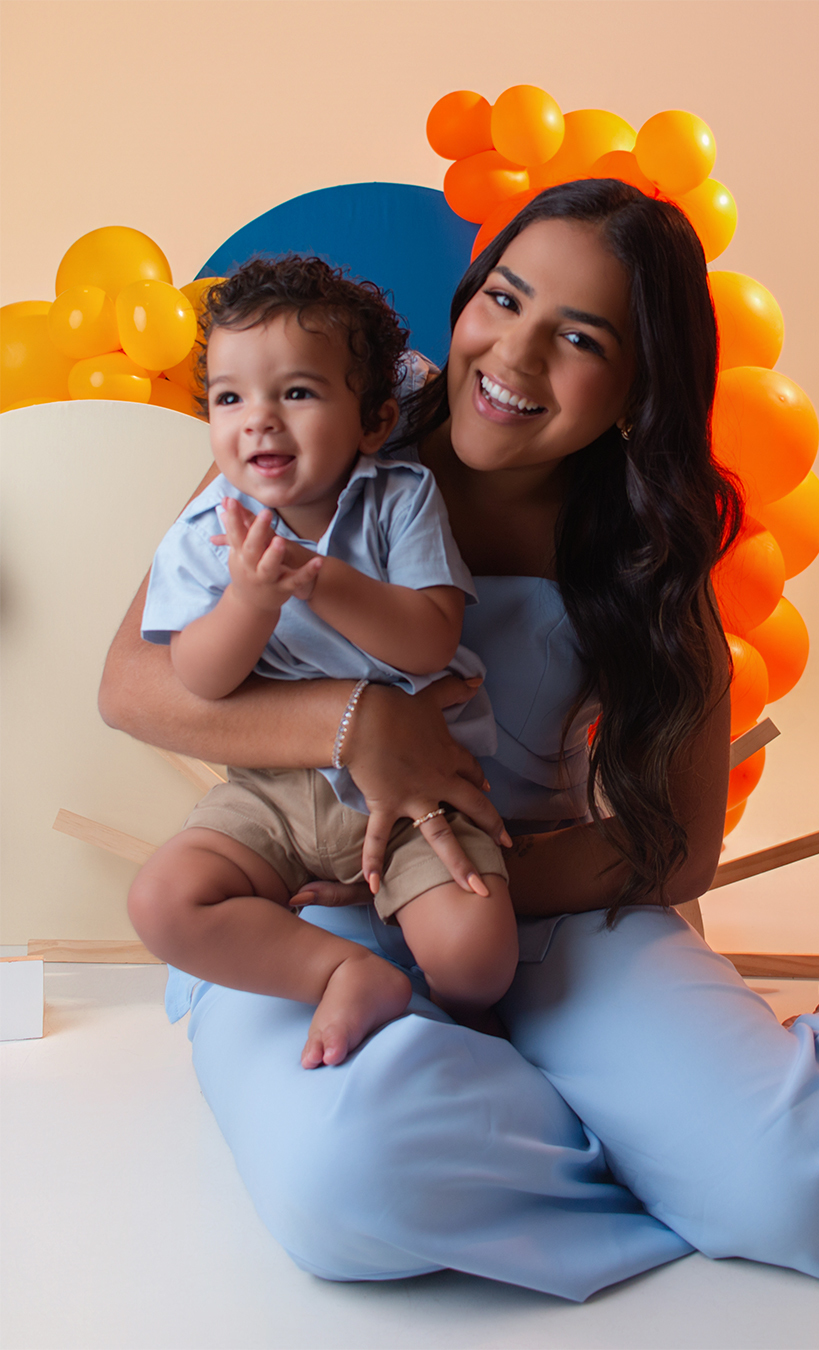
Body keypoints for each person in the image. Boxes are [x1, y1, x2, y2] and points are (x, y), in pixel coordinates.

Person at [99, 180, 819, 1301]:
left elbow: (677, 848)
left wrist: (472, 874)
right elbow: (132, 685)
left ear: (641, 385)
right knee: (344, 1187)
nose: (515, 356)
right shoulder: (324, 416)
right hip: (312, 905)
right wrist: (361, 723)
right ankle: (658, 1139)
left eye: (581, 338)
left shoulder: (644, 543)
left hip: (531, 899)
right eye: (504, 299)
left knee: (809, 1188)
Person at [129, 257, 518, 1068]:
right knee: (163, 901)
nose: (259, 422)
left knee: (476, 962)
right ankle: (343, 970)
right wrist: (250, 601)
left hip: (411, 787)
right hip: (270, 792)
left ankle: (459, 1014)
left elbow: (429, 640)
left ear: (373, 421)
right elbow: (200, 680)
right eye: (230, 399)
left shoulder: (400, 498)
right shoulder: (207, 531)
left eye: (297, 393)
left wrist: (319, 579)